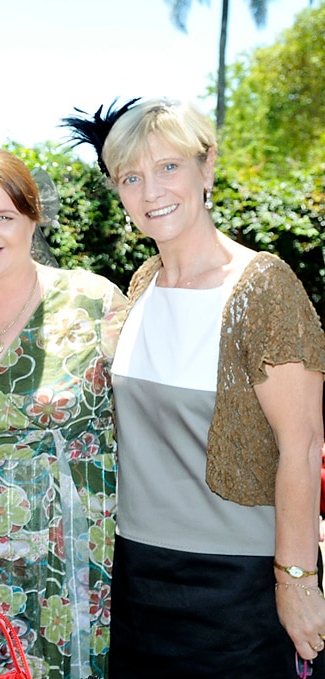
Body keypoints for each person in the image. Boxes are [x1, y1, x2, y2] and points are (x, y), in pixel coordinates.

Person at [64, 97, 325, 677]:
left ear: (206, 168)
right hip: (136, 576)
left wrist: (297, 582)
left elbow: (302, 448)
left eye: (169, 167)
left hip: (239, 586)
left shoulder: (263, 289)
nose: (151, 190)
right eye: (131, 177)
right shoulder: (143, 284)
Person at [0, 148, 127, 679]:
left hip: (76, 566)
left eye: (5, 216)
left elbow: (151, 424)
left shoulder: (92, 301)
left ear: (32, 221)